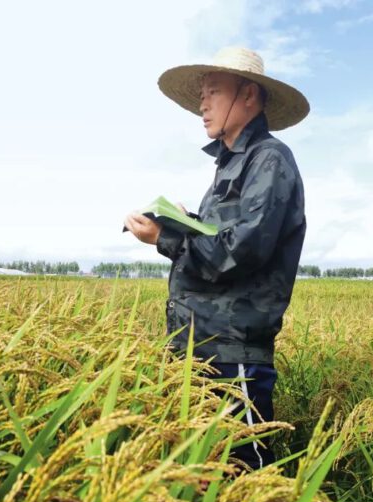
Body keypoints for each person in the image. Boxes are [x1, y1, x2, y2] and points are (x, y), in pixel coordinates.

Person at [124, 46, 309, 471]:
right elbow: (221, 238)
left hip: (233, 355)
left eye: (212, 92)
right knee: (206, 478)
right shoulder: (229, 165)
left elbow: (240, 251)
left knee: (246, 480)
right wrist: (188, 221)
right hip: (200, 347)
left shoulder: (269, 159)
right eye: (201, 95)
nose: (202, 104)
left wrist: (165, 238)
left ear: (248, 95)